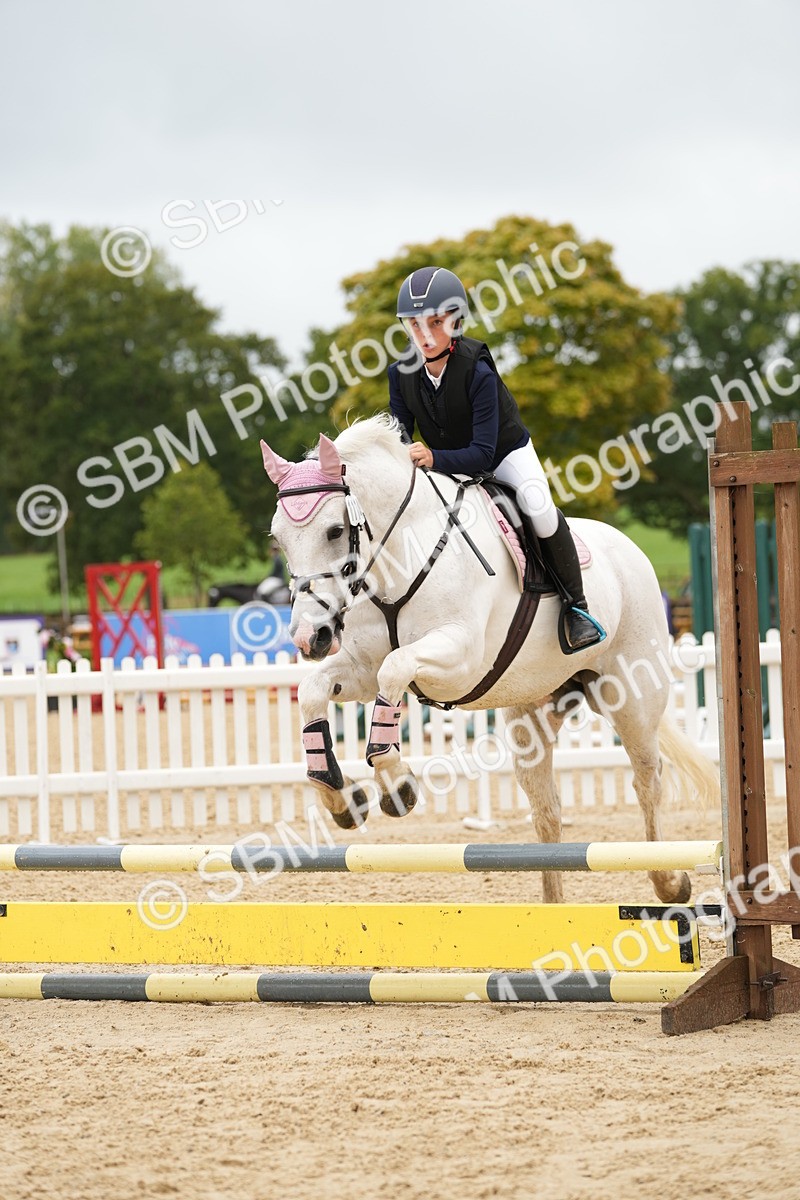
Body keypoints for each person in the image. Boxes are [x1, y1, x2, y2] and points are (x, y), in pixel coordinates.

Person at [388, 265, 604, 652]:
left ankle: (577, 608)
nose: (424, 336)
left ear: (455, 321)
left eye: (436, 323)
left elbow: (482, 455)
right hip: (442, 460)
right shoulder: (400, 373)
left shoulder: (478, 369)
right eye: (414, 325)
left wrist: (432, 457)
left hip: (503, 453)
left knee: (538, 506)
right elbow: (400, 436)